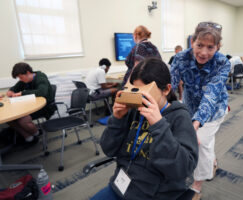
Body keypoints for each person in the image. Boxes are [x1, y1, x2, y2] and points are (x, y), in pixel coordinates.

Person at [91, 58, 198, 200]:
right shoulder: (132, 111)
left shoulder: (180, 117)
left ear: (166, 89)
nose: (140, 99)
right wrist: (117, 119)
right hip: (121, 185)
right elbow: (108, 149)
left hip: (156, 194)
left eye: (145, 93)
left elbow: (183, 169)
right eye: (136, 91)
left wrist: (158, 125)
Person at [170, 21, 230, 200]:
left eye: (210, 47)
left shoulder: (222, 63)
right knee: (197, 140)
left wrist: (195, 124)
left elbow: (211, 96)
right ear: (192, 42)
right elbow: (170, 86)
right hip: (189, 105)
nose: (204, 52)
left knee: (200, 142)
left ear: (218, 47)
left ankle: (196, 187)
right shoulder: (180, 58)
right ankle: (212, 161)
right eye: (200, 45)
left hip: (214, 109)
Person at [6, 62, 55, 144]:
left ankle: (36, 133)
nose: (20, 80)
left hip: (45, 107)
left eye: (21, 77)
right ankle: (29, 137)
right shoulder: (25, 79)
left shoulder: (41, 78)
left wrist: (21, 93)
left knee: (23, 120)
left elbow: (42, 92)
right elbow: (15, 88)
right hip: (31, 105)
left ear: (28, 73)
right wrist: (11, 91)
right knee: (10, 119)